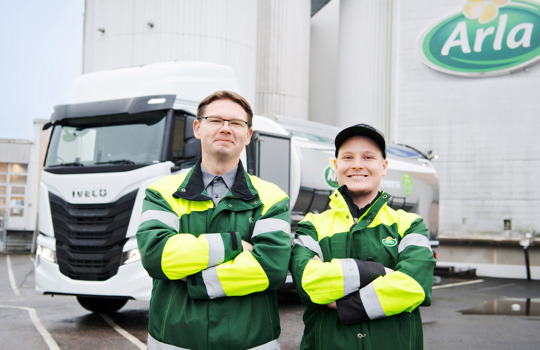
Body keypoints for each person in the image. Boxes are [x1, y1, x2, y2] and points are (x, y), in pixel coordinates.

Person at [136, 90, 292, 350]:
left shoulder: (272, 196)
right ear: (197, 128)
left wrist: (194, 278)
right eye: (216, 120)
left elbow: (272, 268)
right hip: (174, 342)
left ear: (248, 135)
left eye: (236, 123)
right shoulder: (162, 191)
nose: (226, 128)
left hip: (252, 342)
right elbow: (155, 255)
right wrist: (234, 245)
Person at [289, 123, 435, 350]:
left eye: (368, 157)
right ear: (335, 165)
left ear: (384, 166)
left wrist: (344, 304)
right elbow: (310, 283)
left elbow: (415, 285)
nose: (357, 165)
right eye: (348, 157)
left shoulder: (408, 224)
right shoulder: (313, 225)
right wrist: (378, 272)